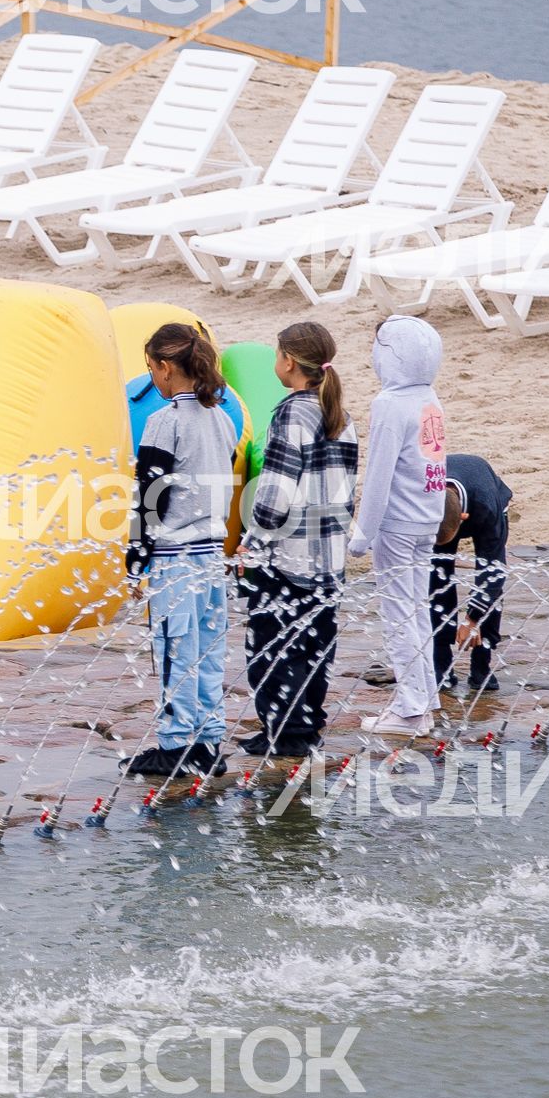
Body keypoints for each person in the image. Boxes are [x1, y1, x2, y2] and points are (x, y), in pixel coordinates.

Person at [238, 321, 356, 772]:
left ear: (288, 361)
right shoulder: (342, 417)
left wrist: (253, 543)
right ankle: (304, 728)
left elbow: (276, 493)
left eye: (276, 355)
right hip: (329, 557)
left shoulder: (291, 413)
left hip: (288, 557)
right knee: (314, 645)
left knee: (270, 647)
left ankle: (284, 734)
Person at [126, 322, 242, 776]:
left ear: (166, 368)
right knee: (210, 647)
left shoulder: (164, 420)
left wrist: (136, 561)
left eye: (151, 367)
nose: (151, 376)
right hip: (212, 554)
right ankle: (209, 740)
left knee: (176, 649)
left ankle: (175, 744)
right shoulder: (222, 419)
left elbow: (150, 496)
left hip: (175, 557)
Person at [355, 315, 450, 739]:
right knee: (417, 610)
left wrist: (364, 531)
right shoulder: (430, 399)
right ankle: (425, 699)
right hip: (427, 520)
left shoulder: (389, 405)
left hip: (397, 525)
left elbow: (379, 473)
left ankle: (411, 710)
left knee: (398, 615)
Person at [431, 452, 512, 702]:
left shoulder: (488, 507)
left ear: (464, 520)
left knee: (490, 582)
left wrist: (472, 619)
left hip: (487, 499)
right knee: (437, 578)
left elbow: (493, 572)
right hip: (441, 512)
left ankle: (481, 668)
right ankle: (442, 666)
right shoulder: (426, 493)